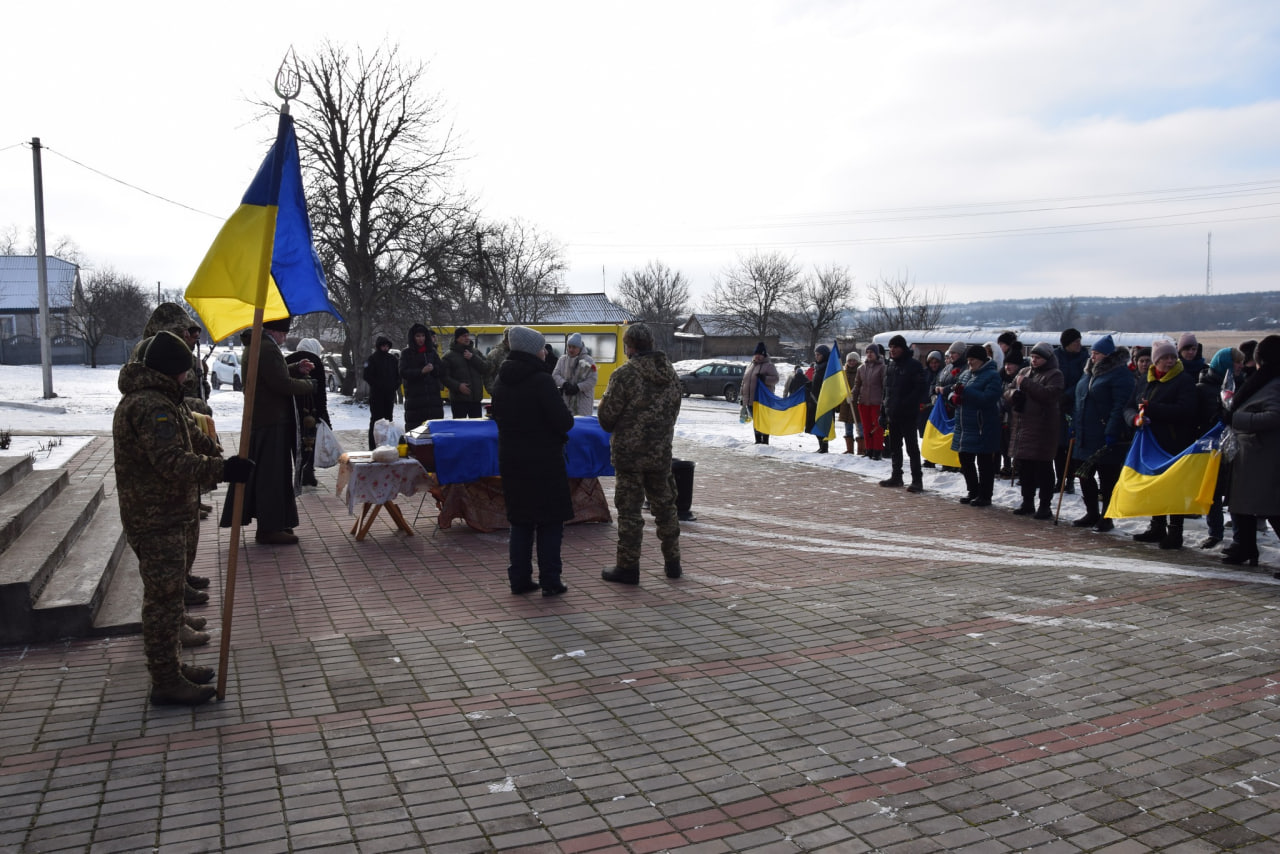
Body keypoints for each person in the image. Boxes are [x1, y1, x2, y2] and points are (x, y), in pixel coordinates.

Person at [114, 330, 253, 706]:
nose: (187, 377)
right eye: (183, 370)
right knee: (161, 603)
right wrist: (222, 471)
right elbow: (171, 461)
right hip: (155, 518)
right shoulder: (149, 407)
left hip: (168, 513)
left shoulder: (162, 399)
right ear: (170, 371)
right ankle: (165, 680)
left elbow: (191, 437)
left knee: (171, 597)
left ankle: (171, 667)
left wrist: (222, 457)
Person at [490, 326, 574, 597]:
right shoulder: (541, 380)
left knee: (521, 521)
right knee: (550, 521)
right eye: (541, 346)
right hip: (544, 461)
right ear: (530, 349)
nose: (544, 351)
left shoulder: (501, 381)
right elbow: (563, 421)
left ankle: (520, 578)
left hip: (512, 460)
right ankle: (551, 580)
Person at [597, 323, 682, 585]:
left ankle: (628, 567)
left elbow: (607, 418)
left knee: (630, 512)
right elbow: (674, 413)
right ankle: (673, 563)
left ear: (630, 346)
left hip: (630, 456)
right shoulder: (671, 374)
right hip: (660, 454)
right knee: (666, 508)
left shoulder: (625, 375)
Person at [219, 317, 316, 545]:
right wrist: (309, 385)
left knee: (271, 474)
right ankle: (270, 528)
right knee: (271, 477)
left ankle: (276, 523)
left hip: (263, 419)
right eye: (284, 333)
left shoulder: (258, 345)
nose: (285, 338)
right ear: (276, 331)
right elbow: (281, 384)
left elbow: (270, 374)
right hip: (271, 420)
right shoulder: (267, 347)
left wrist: (294, 368)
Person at [1125, 338, 1200, 549]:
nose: (1169, 361)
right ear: (1155, 362)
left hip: (1174, 442)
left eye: (1172, 357)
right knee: (1154, 485)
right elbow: (1129, 406)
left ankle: (1175, 531)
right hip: (1148, 442)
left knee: (1173, 487)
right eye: (1164, 358)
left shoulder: (1183, 381)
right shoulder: (1144, 380)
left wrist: (1152, 409)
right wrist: (1134, 418)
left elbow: (1186, 411)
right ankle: (1156, 525)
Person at [1219, 335, 1280, 570]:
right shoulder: (1261, 380)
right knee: (1240, 505)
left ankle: (1246, 546)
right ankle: (1245, 546)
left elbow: (1274, 417)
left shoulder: (1274, 383)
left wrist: (1236, 418)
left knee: (1272, 508)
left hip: (1265, 456)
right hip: (1249, 454)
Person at [1071, 334, 1134, 531]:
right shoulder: (1089, 372)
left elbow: (1120, 405)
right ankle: (1091, 513)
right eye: (1092, 352)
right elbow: (1079, 399)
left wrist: (1112, 430)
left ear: (1107, 355)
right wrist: (1073, 423)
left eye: (1096, 353)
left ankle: (1106, 517)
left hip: (1105, 434)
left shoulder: (1119, 374)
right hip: (1085, 432)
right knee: (1084, 474)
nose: (1092, 356)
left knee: (1107, 478)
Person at [1005, 342, 1063, 520]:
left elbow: (1049, 395)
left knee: (1043, 467)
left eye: (1038, 358)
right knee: (1025, 468)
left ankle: (1045, 505)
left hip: (1043, 428)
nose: (1034, 360)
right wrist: (1013, 394)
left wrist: (1027, 385)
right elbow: (1007, 389)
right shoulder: (1024, 372)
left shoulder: (1055, 374)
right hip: (1023, 426)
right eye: (1033, 357)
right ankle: (1027, 501)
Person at [1196, 347, 1244, 549]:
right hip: (1212, 446)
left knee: (1236, 492)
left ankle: (1240, 537)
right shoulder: (1203, 387)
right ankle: (1214, 532)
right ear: (1226, 364)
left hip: (1237, 446)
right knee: (1213, 491)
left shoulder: (1243, 385)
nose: (1241, 366)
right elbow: (1197, 417)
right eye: (1237, 363)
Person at [950, 345, 1002, 506]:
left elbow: (988, 398)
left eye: (973, 360)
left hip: (982, 425)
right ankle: (973, 490)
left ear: (981, 360)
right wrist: (953, 398)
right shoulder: (965, 374)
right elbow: (954, 390)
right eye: (968, 360)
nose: (970, 362)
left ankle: (985, 495)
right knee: (965, 459)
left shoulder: (992, 376)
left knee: (984, 462)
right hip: (964, 426)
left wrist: (965, 392)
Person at [879, 334, 927, 492]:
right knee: (894, 447)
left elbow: (919, 389)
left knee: (912, 448)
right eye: (890, 347)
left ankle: (917, 480)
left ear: (903, 348)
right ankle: (896, 476)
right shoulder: (890, 366)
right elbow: (886, 392)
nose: (892, 350)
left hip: (907, 414)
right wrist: (883, 412)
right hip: (892, 414)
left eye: (896, 347)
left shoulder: (913, 365)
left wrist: (905, 404)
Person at [285, 337, 328, 488]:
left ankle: (298, 470)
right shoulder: (316, 361)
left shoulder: (288, 359)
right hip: (312, 409)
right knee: (310, 441)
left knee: (294, 441)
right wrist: (324, 415)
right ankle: (308, 470)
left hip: (292, 409)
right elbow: (321, 393)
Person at [1053, 328, 1089, 496]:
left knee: (1071, 445)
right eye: (1076, 342)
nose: (1079, 345)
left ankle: (1070, 480)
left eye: (1079, 341)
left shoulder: (1084, 358)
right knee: (1058, 445)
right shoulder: (1056, 356)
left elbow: (1085, 378)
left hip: (1075, 404)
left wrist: (1068, 394)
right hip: (1057, 404)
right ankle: (1059, 478)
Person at [399, 324, 447, 432]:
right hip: (415, 402)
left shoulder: (431, 352)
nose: (421, 339)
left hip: (433, 402)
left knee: (434, 434)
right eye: (418, 336)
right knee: (416, 434)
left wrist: (433, 369)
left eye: (423, 336)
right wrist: (421, 372)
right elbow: (403, 372)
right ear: (413, 337)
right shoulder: (406, 353)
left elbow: (442, 370)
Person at [362, 333, 401, 449]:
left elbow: (398, 375)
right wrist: (377, 386)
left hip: (389, 395)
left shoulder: (392, 359)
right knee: (376, 420)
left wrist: (394, 386)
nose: (385, 348)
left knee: (388, 419)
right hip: (377, 395)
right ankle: (373, 444)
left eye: (387, 346)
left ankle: (387, 443)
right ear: (379, 346)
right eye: (383, 346)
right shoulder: (372, 359)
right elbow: (367, 375)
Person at [443, 327, 490, 419]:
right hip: (459, 401)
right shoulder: (449, 356)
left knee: (476, 429)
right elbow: (444, 377)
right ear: (457, 338)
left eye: (468, 335)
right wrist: (458, 386)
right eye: (464, 336)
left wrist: (473, 358)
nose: (467, 338)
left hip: (475, 400)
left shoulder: (475, 352)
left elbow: (486, 368)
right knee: (460, 429)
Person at [741, 342, 780, 445]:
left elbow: (776, 379)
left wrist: (764, 379)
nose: (757, 356)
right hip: (750, 399)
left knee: (764, 420)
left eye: (760, 354)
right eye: (756, 354)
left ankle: (765, 441)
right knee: (756, 420)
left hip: (763, 400)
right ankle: (758, 441)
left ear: (764, 355)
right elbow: (744, 382)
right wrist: (742, 396)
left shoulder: (769, 366)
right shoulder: (751, 365)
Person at [552, 332, 598, 416]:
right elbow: (555, 375)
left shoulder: (589, 360)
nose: (571, 350)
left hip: (583, 400)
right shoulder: (562, 360)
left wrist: (578, 387)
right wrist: (564, 384)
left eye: (574, 347)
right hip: (566, 399)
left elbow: (592, 380)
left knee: (582, 424)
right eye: (569, 347)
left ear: (580, 348)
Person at [853, 343, 886, 460]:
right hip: (863, 402)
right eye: (867, 352)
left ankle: (877, 450)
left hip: (877, 403)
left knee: (877, 428)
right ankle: (869, 449)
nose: (869, 354)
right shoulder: (861, 368)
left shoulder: (882, 367)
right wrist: (852, 395)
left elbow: (884, 386)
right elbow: (857, 385)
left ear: (876, 354)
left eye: (871, 352)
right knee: (866, 427)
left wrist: (884, 401)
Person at [808, 344, 833, 453]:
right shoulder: (817, 367)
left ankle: (824, 447)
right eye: (815, 354)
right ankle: (821, 445)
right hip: (814, 399)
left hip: (824, 401)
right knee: (814, 423)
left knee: (823, 424)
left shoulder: (828, 368)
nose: (816, 357)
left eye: (819, 355)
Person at [837, 350, 861, 454]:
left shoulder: (860, 371)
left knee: (859, 425)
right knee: (848, 425)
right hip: (846, 404)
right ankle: (849, 449)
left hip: (857, 402)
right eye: (849, 360)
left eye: (853, 360)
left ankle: (862, 449)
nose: (851, 362)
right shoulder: (843, 373)